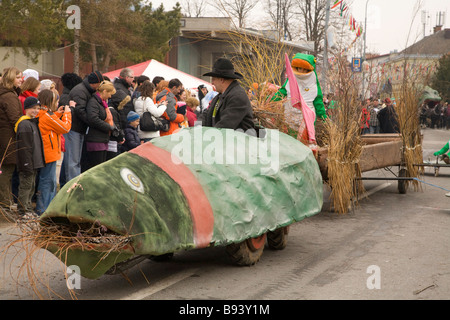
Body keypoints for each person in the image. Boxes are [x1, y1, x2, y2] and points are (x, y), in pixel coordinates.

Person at [35, 89, 71, 215]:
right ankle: (44, 210)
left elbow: (51, 122)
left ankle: (45, 208)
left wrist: (58, 113)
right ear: (50, 101)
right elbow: (65, 128)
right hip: (49, 153)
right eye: (56, 101)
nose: (57, 103)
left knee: (48, 181)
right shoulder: (46, 116)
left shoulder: (43, 114)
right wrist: (67, 114)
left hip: (47, 153)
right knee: (48, 182)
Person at [66, 71, 104, 180]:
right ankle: (73, 186)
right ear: (95, 83)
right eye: (100, 84)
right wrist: (92, 121)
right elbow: (80, 110)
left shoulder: (87, 90)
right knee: (74, 160)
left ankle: (69, 183)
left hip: (79, 128)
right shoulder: (80, 91)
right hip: (74, 128)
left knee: (74, 160)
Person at [202, 58, 255, 131]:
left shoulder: (237, 96)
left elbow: (225, 125)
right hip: (224, 140)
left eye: (213, 79)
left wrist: (209, 136)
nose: (212, 83)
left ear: (222, 80)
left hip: (238, 141)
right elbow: (206, 115)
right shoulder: (220, 96)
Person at [15, 97, 45, 216]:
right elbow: (24, 147)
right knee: (26, 186)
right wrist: (26, 163)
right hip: (27, 163)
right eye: (33, 108)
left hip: (34, 162)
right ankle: (23, 211)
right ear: (26, 109)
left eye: (38, 108)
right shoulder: (24, 124)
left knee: (31, 186)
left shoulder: (33, 122)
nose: (36, 111)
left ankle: (27, 207)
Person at [0, 67, 24, 215]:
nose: (21, 80)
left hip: (5, 137)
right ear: (10, 79)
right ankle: (5, 203)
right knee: (6, 172)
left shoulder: (8, 94)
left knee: (6, 171)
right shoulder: (9, 96)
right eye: (18, 77)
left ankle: (6, 202)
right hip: (8, 139)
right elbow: (16, 119)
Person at [85, 80, 117, 169]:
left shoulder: (101, 103)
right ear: (104, 91)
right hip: (96, 140)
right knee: (97, 167)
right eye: (110, 93)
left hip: (102, 138)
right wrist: (109, 127)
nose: (110, 96)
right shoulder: (94, 102)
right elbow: (93, 119)